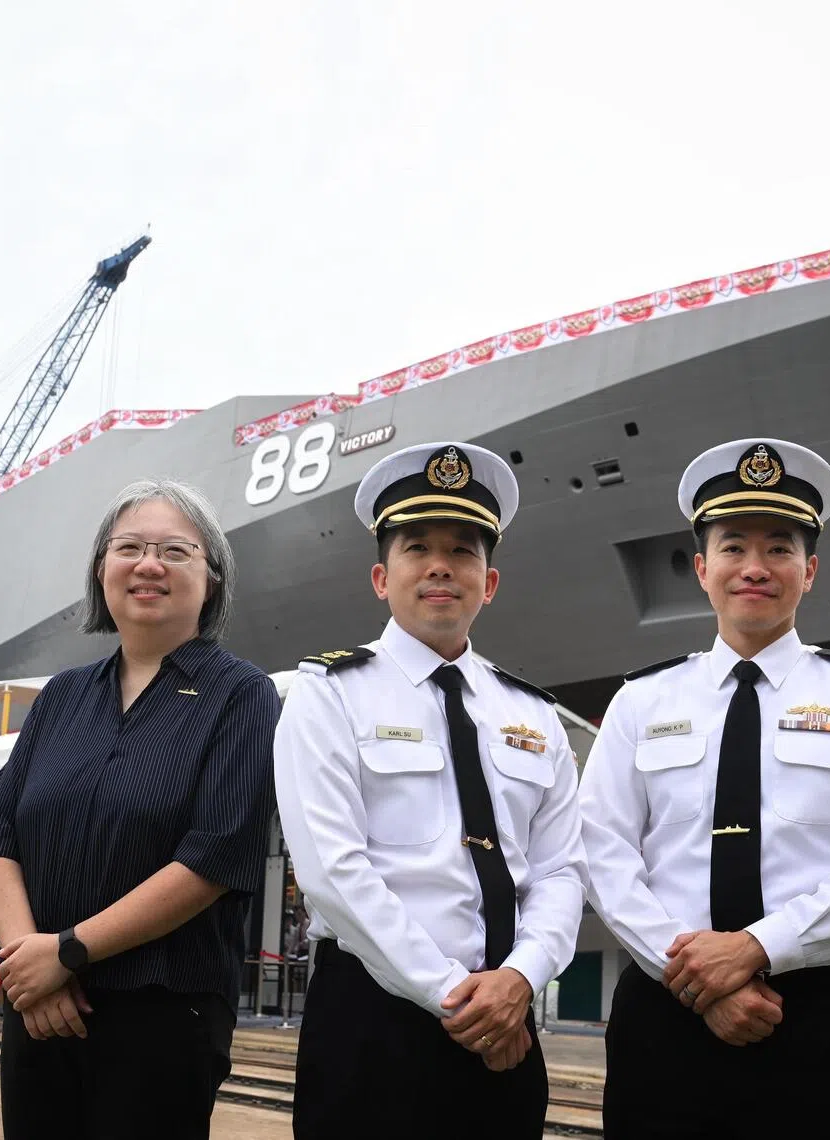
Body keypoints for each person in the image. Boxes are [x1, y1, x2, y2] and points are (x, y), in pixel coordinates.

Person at [578, 438, 830, 1140]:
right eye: (734, 546)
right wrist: (696, 976)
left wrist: (755, 948)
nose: (756, 567)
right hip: (663, 1012)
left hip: (812, 1019)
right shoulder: (641, 701)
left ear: (810, 569)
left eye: (779, 548)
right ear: (703, 569)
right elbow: (601, 853)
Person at [274, 442, 587, 1139]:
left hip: (508, 1019)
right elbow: (332, 873)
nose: (441, 565)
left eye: (463, 550)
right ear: (382, 578)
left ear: (491, 581)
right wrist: (457, 999)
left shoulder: (531, 714)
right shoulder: (329, 695)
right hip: (373, 1021)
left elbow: (563, 869)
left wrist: (520, 980)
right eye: (418, 547)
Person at [0, 479, 279, 1140]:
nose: (149, 565)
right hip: (39, 1007)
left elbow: (215, 855)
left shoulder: (241, 696)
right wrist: (32, 966)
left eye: (175, 551)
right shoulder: (61, 699)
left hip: (161, 1013)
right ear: (101, 570)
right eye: (128, 547)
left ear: (212, 578)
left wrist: (69, 953)